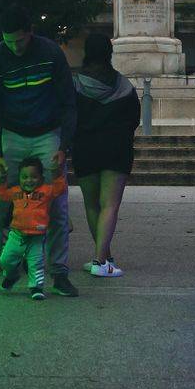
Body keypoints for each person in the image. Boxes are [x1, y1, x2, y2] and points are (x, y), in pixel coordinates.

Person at [0, 3, 78, 296]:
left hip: (47, 133)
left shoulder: (51, 54)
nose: (14, 47)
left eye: (20, 40)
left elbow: (68, 103)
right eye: (9, 41)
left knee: (57, 207)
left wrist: (64, 147)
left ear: (30, 33)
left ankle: (59, 273)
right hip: (11, 135)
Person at [72, 32, 140, 277]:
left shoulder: (76, 84)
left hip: (84, 148)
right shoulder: (124, 86)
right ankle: (102, 259)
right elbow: (134, 119)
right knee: (110, 205)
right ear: (109, 54)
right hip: (116, 149)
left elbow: (69, 116)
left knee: (92, 205)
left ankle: (103, 256)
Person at [0, 156, 67, 299]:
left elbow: (59, 189)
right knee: (5, 260)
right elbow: (2, 195)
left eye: (34, 177)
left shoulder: (45, 191)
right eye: (25, 177)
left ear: (41, 178)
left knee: (36, 264)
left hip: (36, 238)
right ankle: (11, 276)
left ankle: (36, 287)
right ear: (19, 178)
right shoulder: (16, 192)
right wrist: (2, 179)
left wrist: (56, 174)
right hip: (16, 236)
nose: (29, 180)